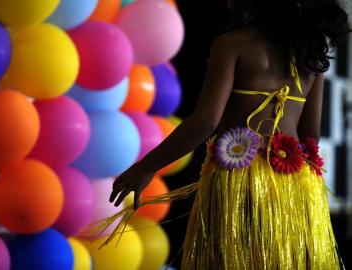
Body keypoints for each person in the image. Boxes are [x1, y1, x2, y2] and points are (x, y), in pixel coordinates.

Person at [87, 0, 351, 269]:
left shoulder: (231, 45)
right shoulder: (310, 58)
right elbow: (311, 138)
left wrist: (146, 167)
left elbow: (205, 120)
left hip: (236, 178)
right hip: (294, 182)